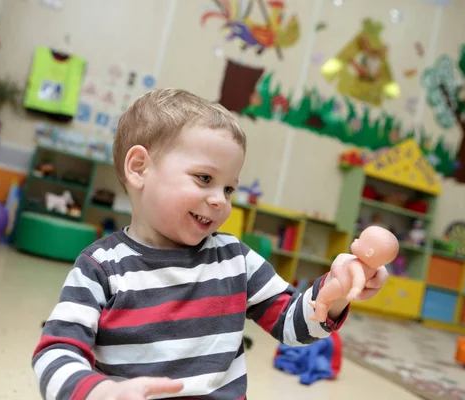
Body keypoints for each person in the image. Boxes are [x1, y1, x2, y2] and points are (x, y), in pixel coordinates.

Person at [31, 88, 388, 400]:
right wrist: (99, 391)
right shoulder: (100, 268)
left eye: (229, 188)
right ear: (139, 168)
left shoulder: (235, 260)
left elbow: (292, 326)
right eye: (205, 179)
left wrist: (334, 293)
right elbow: (55, 352)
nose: (220, 200)